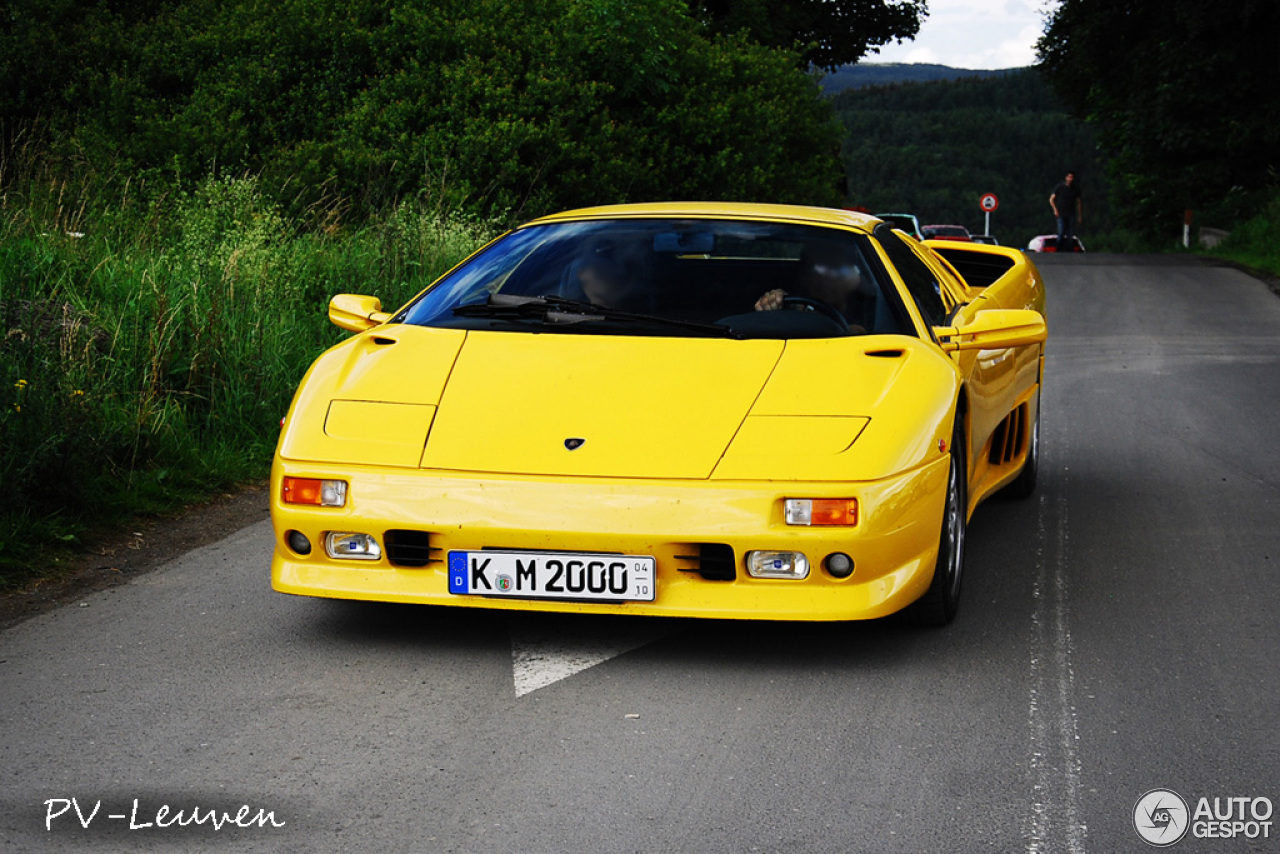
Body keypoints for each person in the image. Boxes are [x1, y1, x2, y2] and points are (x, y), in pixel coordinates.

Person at [753, 243, 872, 329]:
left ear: (854, 278)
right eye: (815, 270)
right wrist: (772, 304)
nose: (823, 279)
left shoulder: (873, 312)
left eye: (835, 269)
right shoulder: (793, 305)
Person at [1049, 171, 1083, 251]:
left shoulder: (1075, 189)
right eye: (1069, 177)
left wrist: (1080, 216)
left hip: (1071, 212)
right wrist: (1055, 210)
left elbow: (1079, 203)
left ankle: (1069, 249)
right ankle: (1058, 248)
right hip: (1061, 212)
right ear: (1066, 178)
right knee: (1061, 231)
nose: (1070, 179)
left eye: (1072, 177)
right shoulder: (1060, 187)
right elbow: (1051, 199)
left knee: (1070, 233)